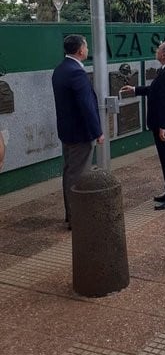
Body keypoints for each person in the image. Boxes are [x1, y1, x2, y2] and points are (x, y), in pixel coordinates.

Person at [121, 41, 165, 209]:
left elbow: (164, 101)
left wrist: (162, 126)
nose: (156, 51)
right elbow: (155, 90)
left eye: (158, 49)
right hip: (164, 121)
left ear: (163, 54)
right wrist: (135, 89)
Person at [52, 34, 104, 229]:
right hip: (80, 133)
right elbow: (87, 106)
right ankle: (78, 218)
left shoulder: (60, 69)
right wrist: (97, 131)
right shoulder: (76, 73)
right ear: (80, 50)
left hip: (67, 132)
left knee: (69, 172)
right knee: (79, 175)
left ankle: (71, 214)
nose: (88, 50)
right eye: (86, 47)